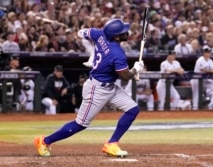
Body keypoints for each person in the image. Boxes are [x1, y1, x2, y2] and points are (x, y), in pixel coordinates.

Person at [34, 19, 144, 157]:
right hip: (97, 90)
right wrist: (136, 69)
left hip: (109, 87)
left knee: (133, 109)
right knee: (80, 124)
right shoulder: (117, 53)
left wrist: (93, 53)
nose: (127, 33)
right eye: (123, 32)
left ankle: (112, 143)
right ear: (116, 36)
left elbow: (81, 33)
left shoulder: (100, 34)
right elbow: (125, 76)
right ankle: (44, 141)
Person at [190, 46, 213, 110]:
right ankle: (194, 110)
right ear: (204, 53)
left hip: (205, 79)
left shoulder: (210, 61)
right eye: (207, 52)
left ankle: (212, 104)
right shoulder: (200, 60)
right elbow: (203, 69)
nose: (209, 53)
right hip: (196, 79)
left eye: (209, 52)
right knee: (196, 95)